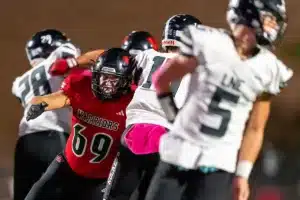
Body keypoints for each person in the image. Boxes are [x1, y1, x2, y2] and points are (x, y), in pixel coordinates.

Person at [146, 0, 292, 200]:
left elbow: (256, 127)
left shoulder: (269, 69)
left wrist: (242, 174)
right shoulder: (208, 43)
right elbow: (162, 80)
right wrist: (174, 118)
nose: (274, 26)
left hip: (218, 162)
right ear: (248, 13)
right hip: (179, 153)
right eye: (270, 18)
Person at [103, 14, 202, 200]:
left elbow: (110, 58)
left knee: (115, 196)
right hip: (164, 137)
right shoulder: (195, 68)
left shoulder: (147, 56)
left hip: (133, 134)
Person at [24, 48, 135, 200]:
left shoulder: (133, 102)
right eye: (104, 76)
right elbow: (58, 98)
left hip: (101, 181)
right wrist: (42, 104)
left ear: (125, 80)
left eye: (113, 78)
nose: (107, 83)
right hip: (66, 166)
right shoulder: (82, 85)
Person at [11, 29, 80, 200]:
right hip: (53, 133)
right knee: (60, 192)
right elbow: (71, 53)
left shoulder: (19, 82)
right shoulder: (55, 58)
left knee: (26, 194)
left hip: (25, 140)